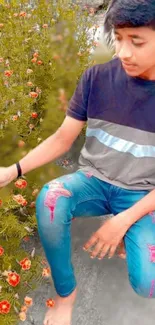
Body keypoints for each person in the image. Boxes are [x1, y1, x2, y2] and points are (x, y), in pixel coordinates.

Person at [1, 0, 155, 324]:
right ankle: (65, 295)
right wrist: (13, 171)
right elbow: (62, 139)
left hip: (142, 194)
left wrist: (123, 221)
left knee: (147, 283)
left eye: (136, 42)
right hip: (95, 181)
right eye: (119, 38)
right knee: (52, 200)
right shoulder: (97, 79)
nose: (123, 52)